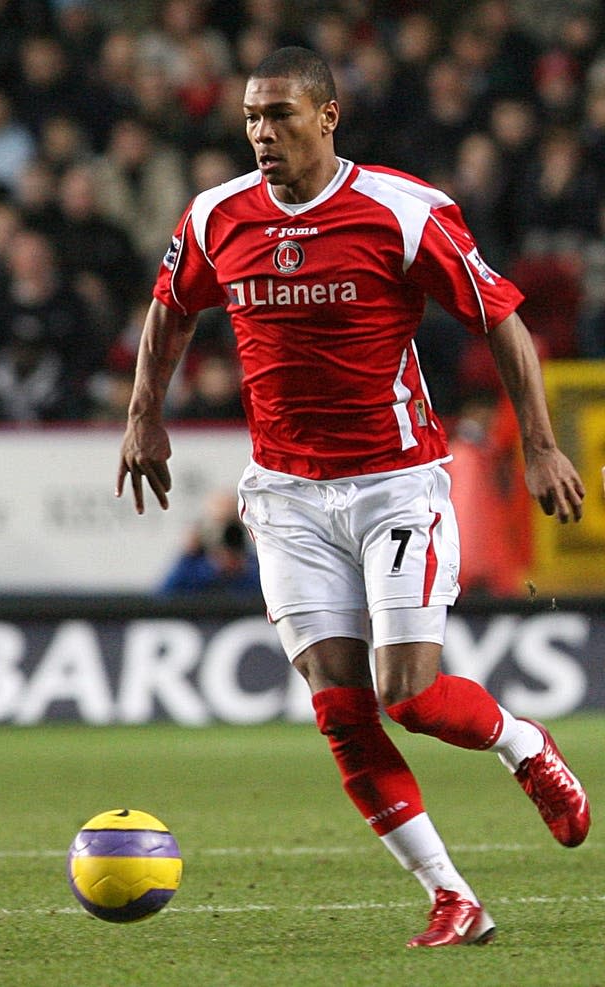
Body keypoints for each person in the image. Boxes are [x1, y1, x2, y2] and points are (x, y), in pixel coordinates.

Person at [116, 46, 590, 948]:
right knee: (339, 708)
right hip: (288, 496)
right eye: (252, 117)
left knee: (406, 694)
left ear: (329, 117)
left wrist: (536, 446)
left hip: (395, 484)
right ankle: (453, 895)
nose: (262, 133)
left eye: (281, 115)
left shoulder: (401, 212)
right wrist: (144, 417)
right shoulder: (216, 216)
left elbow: (503, 319)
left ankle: (523, 744)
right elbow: (171, 306)